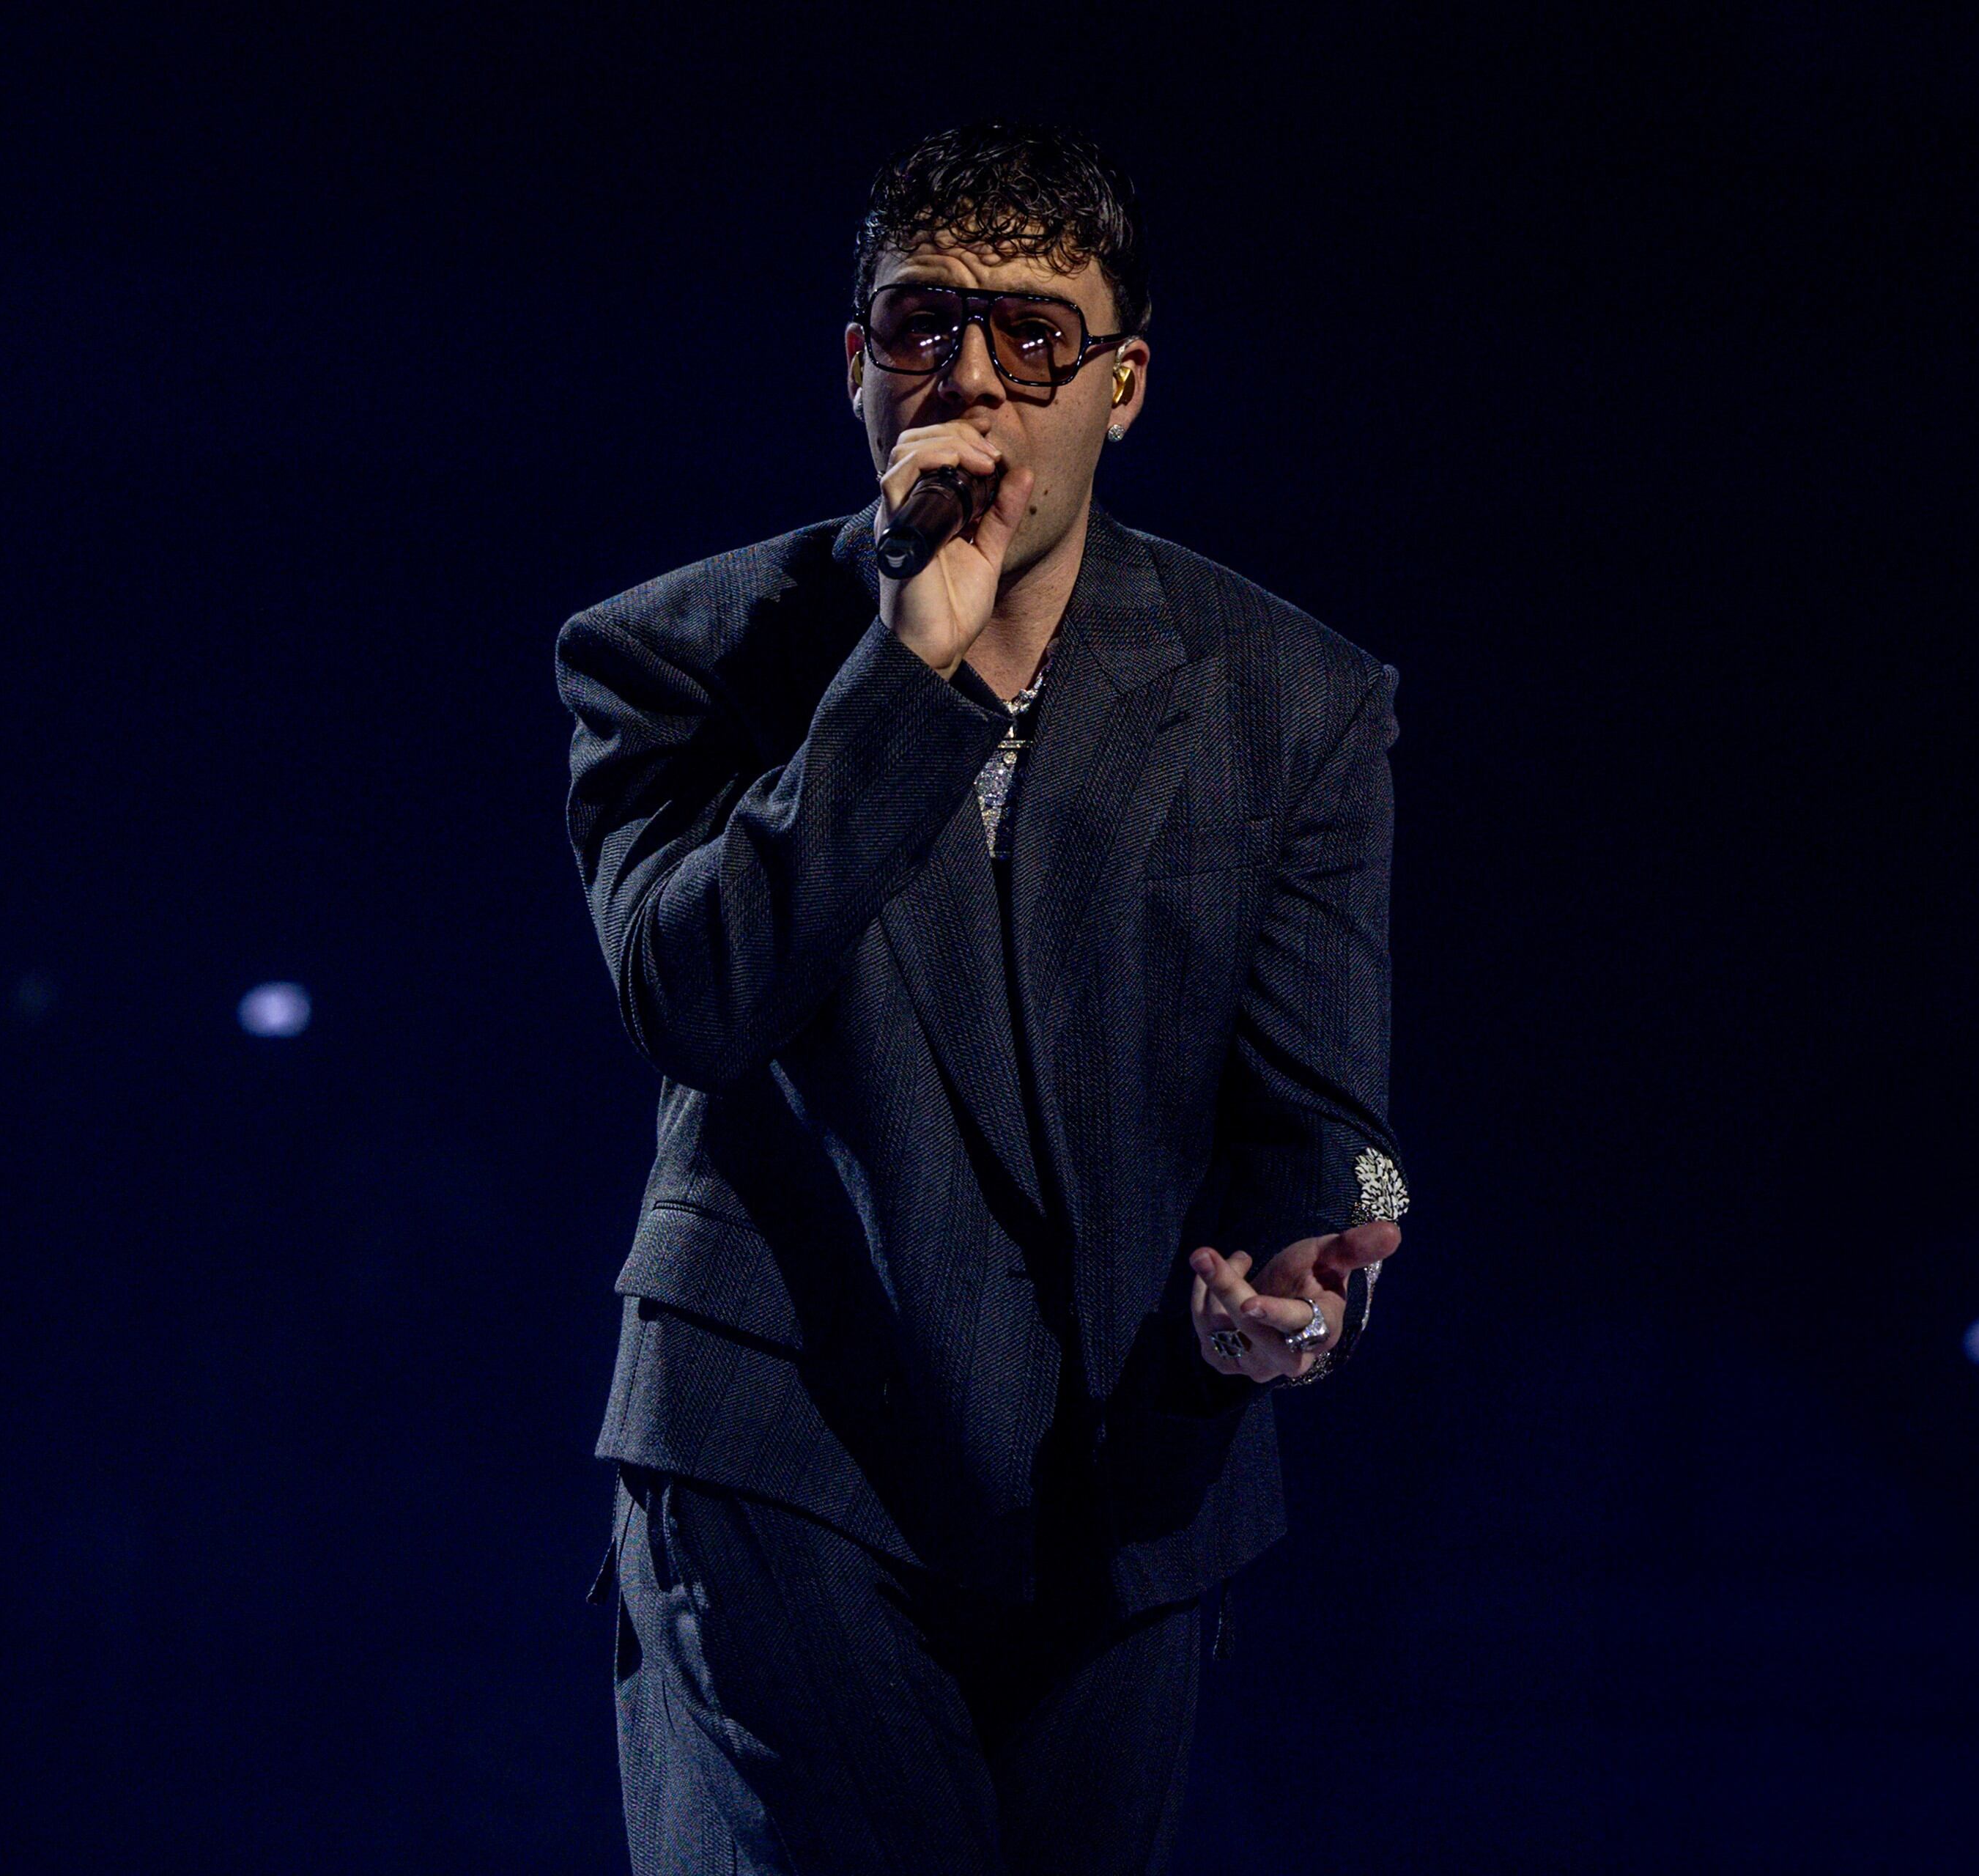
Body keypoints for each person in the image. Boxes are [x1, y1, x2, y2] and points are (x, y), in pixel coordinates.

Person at [555, 122, 1408, 1876]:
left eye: (1034, 334)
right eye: (923, 324)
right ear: (855, 362)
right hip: (780, 1457)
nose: (972, 378)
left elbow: (1329, 1129)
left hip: (1124, 1487)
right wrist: (902, 667)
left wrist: (1304, 1288)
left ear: (1124, 384)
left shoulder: (1291, 699)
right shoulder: (676, 655)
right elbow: (695, 995)